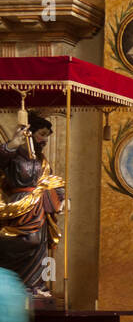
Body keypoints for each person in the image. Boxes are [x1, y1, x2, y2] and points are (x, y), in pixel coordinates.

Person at [0, 114, 65, 297]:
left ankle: (34, 285)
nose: (44, 140)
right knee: (29, 240)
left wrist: (61, 198)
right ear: (30, 133)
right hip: (18, 204)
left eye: (47, 136)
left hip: (39, 206)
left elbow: (50, 180)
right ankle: (9, 277)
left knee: (40, 245)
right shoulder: (14, 154)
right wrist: (13, 143)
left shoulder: (41, 159)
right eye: (42, 134)